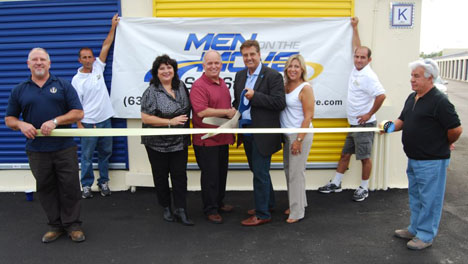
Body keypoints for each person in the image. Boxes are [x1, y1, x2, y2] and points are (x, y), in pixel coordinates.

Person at [5, 48, 85, 243]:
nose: (39, 62)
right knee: (46, 187)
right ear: (28, 64)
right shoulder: (19, 90)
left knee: (70, 187)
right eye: (35, 60)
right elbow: (9, 119)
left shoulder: (63, 85)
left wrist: (55, 121)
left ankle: (72, 225)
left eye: (42, 59)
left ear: (49, 64)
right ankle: (55, 225)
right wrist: (21, 124)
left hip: (64, 147)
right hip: (37, 150)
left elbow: (78, 113)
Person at [391, 59, 462, 250]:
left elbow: (456, 129)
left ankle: (425, 235)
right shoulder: (412, 97)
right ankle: (415, 228)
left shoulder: (440, 101)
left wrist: (444, 143)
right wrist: (388, 127)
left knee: (430, 199)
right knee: (416, 196)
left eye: (416, 76)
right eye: (412, 76)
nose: (412, 80)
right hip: (414, 158)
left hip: (432, 160)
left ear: (430, 78)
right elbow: (402, 119)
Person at [318, 17, 386, 202]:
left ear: (369, 60)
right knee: (345, 154)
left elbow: (381, 95)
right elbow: (357, 46)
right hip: (353, 123)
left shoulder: (369, 76)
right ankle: (336, 183)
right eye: (357, 56)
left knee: (365, 157)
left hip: (364, 125)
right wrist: (354, 28)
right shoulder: (357, 69)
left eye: (363, 57)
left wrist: (368, 114)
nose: (358, 59)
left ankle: (364, 188)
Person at [233, 40, 286, 226]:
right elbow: (237, 102)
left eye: (252, 54)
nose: (249, 58)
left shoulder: (273, 76)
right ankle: (268, 204)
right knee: (258, 170)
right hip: (246, 130)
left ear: (259, 54)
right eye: (245, 55)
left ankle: (262, 214)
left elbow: (279, 103)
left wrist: (256, 96)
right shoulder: (239, 76)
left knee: (260, 173)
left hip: (263, 133)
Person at [140, 54, 194, 226]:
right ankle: (166, 207)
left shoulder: (182, 87)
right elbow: (146, 118)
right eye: (162, 68)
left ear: (174, 70)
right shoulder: (151, 91)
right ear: (156, 72)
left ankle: (181, 209)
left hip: (179, 141)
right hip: (157, 143)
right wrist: (169, 122)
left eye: (169, 67)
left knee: (180, 176)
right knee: (161, 176)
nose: (166, 71)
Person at [72, 14, 119, 199]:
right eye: (84, 57)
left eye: (90, 56)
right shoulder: (77, 80)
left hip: (105, 120)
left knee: (106, 153)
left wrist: (113, 26)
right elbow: (75, 105)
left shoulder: (99, 67)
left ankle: (104, 182)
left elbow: (107, 44)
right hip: (88, 122)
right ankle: (86, 185)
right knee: (86, 156)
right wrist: (78, 125)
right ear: (79, 60)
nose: (88, 59)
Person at [190, 50, 236, 224]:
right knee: (210, 175)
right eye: (210, 63)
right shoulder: (199, 85)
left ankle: (218, 202)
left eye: (216, 63)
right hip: (206, 139)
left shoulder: (222, 83)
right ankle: (210, 209)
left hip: (223, 136)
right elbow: (202, 111)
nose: (213, 66)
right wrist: (227, 112)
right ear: (203, 66)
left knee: (221, 173)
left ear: (221, 65)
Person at [280, 54, 315, 224]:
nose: (293, 69)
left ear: (302, 70)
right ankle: (299, 202)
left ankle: (297, 211)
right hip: (287, 135)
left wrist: (298, 140)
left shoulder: (305, 88)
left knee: (295, 173)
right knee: (291, 171)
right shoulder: (285, 86)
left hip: (300, 135)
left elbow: (308, 116)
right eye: (290, 66)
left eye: (297, 66)